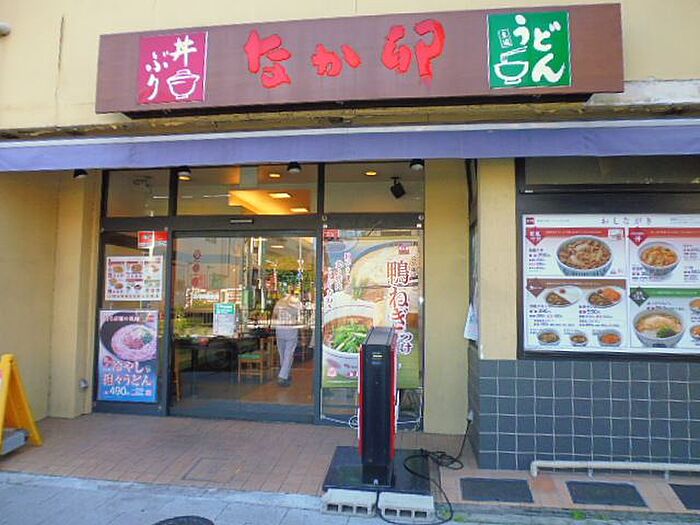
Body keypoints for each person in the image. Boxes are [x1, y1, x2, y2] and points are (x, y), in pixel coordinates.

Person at [272, 292, 301, 386]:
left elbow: (274, 315)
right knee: (288, 353)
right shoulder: (296, 303)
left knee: (282, 353)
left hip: (280, 329)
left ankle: (285, 373)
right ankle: (283, 376)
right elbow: (299, 317)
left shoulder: (279, 302)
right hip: (290, 330)